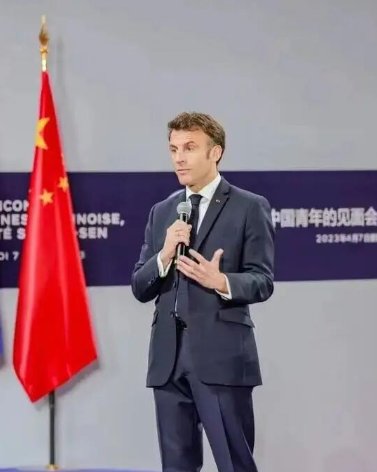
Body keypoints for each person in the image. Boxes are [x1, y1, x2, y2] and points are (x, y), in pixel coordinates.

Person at [131, 112, 275, 472]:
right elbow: (139, 286)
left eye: (190, 148)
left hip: (221, 359)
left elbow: (262, 280)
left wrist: (221, 281)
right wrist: (164, 255)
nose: (179, 158)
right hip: (168, 362)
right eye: (174, 149)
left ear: (215, 152)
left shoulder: (249, 206)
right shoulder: (163, 211)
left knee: (234, 464)